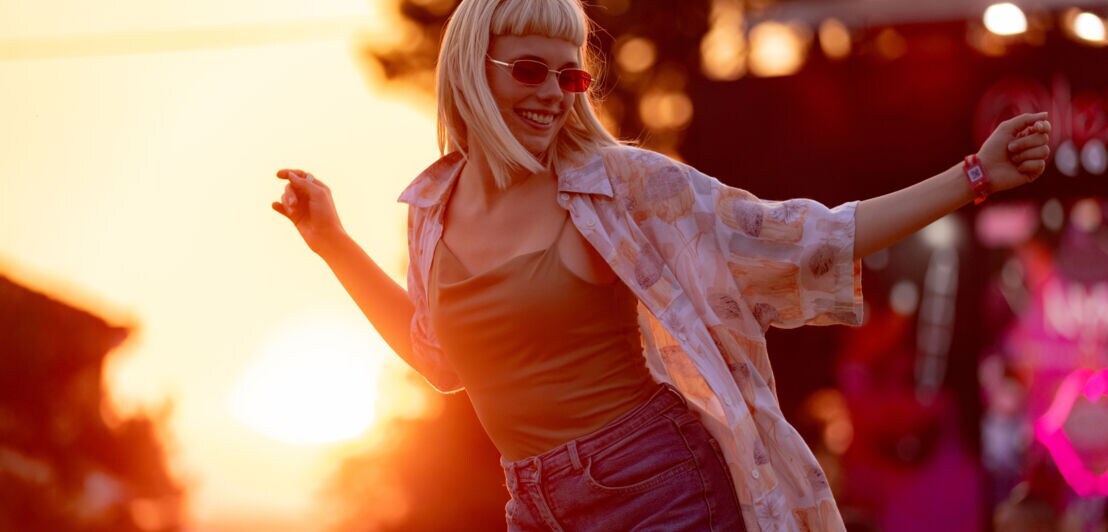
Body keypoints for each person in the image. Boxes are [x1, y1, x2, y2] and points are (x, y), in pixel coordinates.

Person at [271, 0, 1052, 529]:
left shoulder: (619, 186)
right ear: (473, 68)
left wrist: (972, 176)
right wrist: (333, 241)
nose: (554, 95)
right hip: (534, 505)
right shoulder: (432, 210)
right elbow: (439, 360)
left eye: (570, 75)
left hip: (653, 481)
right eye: (529, 71)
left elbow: (805, 236)